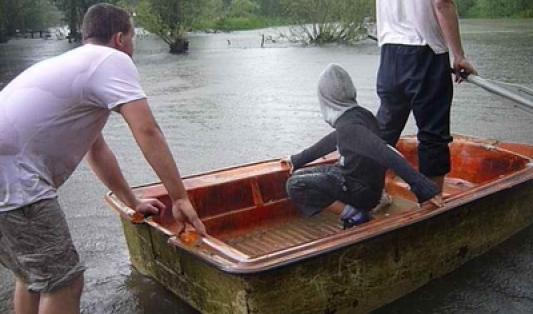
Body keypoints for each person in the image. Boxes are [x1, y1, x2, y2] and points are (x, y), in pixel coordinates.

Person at [0, 4, 206, 314]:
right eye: (133, 38)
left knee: (32, 275)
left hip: (7, 180)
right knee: (64, 283)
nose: (132, 46)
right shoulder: (112, 60)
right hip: (16, 185)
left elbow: (96, 151)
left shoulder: (73, 66)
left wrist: (132, 201)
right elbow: (148, 131)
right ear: (120, 38)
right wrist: (179, 197)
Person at [283, 64, 442, 230]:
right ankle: (359, 208)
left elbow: (386, 153)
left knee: (295, 185)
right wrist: (297, 160)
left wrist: (425, 188)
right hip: (360, 181)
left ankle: (356, 215)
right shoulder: (359, 115)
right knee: (301, 174)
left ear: (326, 99)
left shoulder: (349, 127)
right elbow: (333, 139)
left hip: (362, 191)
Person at [375, 0, 477, 193]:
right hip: (425, 50)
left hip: (389, 52)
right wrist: (459, 55)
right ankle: (431, 203)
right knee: (433, 135)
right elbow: (442, 3)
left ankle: (371, 195)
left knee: (384, 132)